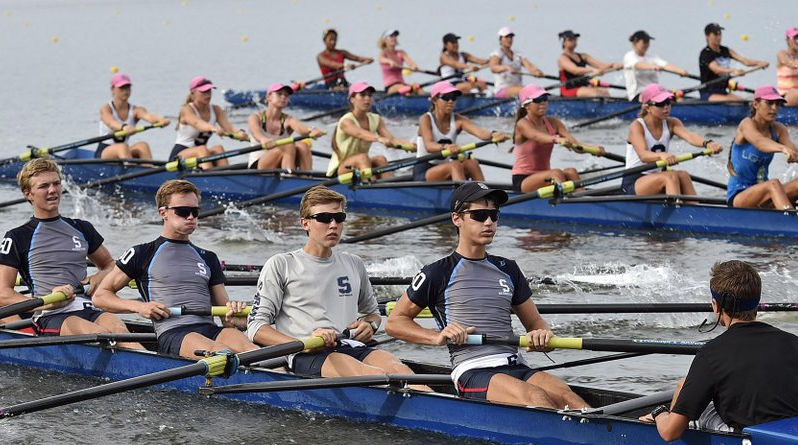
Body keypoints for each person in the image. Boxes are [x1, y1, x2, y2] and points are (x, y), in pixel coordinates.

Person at [386, 181, 588, 409]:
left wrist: (543, 335)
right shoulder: (437, 272)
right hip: (473, 370)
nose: (489, 222)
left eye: (494, 215)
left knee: (571, 399)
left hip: (515, 364)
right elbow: (395, 322)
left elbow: (534, 321)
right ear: (456, 219)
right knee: (536, 398)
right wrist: (436, 336)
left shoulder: (508, 268)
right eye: (479, 215)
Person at [247, 186, 423, 386]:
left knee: (402, 372)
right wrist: (302, 345)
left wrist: (370, 325)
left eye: (339, 218)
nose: (333, 225)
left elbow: (372, 313)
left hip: (351, 345)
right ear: (305, 223)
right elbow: (256, 328)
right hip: (308, 354)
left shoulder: (353, 263)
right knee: (375, 377)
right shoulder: (282, 264)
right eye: (324, 218)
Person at [650, 260, 798, 440]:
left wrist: (659, 412)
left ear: (716, 305)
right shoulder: (792, 342)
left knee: (683, 388)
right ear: (757, 302)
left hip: (752, 441)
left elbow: (669, 434)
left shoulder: (711, 353)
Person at [93, 179, 256, 359]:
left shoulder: (208, 257)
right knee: (222, 356)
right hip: (175, 333)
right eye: (183, 211)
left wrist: (238, 319)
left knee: (258, 354)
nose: (191, 217)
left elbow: (226, 317)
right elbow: (101, 297)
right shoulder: (142, 253)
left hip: (212, 329)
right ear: (163, 213)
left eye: (195, 211)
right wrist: (138, 307)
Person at [0, 158, 141, 347]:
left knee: (120, 331)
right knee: (99, 335)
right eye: (44, 186)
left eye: (56, 184)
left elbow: (110, 265)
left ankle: (162, 372)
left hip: (88, 307)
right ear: (28, 194)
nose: (53, 190)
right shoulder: (17, 237)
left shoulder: (82, 228)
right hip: (52, 315)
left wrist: (99, 277)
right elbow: (1, 295)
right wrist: (44, 303)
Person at [725, 86, 798, 210]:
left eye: (777, 104)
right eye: (769, 103)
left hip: (764, 195)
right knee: (773, 184)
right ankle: (790, 221)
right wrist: (782, 149)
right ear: (756, 104)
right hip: (739, 197)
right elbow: (760, 142)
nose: (774, 108)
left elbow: (795, 152)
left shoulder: (778, 129)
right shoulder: (746, 124)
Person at [622, 84, 722, 195]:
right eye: (660, 103)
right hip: (634, 180)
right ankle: (677, 209)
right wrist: (662, 156)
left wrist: (707, 143)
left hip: (658, 176)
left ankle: (695, 209)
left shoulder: (672, 123)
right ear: (647, 107)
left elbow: (690, 136)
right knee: (670, 176)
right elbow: (643, 155)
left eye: (668, 102)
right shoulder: (637, 126)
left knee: (683, 175)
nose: (666, 107)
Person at [511, 84, 605, 193]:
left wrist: (593, 149)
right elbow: (536, 136)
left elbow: (574, 143)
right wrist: (557, 139)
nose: (543, 103)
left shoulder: (554, 123)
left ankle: (582, 200)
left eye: (545, 99)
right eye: (537, 100)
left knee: (571, 172)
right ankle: (564, 201)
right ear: (526, 105)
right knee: (556, 173)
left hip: (545, 175)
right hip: (523, 179)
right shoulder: (522, 124)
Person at [414, 82, 508, 182]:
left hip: (446, 167)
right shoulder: (425, 119)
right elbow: (429, 146)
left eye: (454, 98)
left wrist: (493, 134)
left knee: (472, 163)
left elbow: (480, 132)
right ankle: (464, 196)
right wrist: (446, 147)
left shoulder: (459, 120)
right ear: (434, 100)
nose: (451, 101)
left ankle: (485, 194)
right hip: (424, 171)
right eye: (446, 97)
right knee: (455, 165)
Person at [326, 81, 412, 178]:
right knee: (362, 158)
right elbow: (360, 134)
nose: (367, 98)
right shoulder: (346, 121)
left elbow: (391, 140)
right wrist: (378, 138)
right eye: (362, 95)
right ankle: (369, 186)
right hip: (341, 169)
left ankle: (388, 188)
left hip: (361, 166)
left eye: (370, 95)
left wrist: (413, 146)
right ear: (352, 99)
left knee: (380, 159)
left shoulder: (376, 119)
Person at [170, 76, 246, 168]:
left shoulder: (216, 109)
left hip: (201, 156)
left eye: (209, 91)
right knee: (202, 150)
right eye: (203, 92)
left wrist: (240, 132)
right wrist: (213, 128)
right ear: (193, 93)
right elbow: (197, 123)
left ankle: (225, 176)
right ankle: (211, 179)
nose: (208, 95)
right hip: (179, 156)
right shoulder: (187, 109)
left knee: (218, 148)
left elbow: (229, 128)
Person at [246, 83, 324, 170]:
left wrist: (312, 130)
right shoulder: (255, 117)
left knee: (303, 145)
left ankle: (307, 178)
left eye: (286, 95)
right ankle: (290, 178)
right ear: (268, 97)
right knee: (288, 145)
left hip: (280, 164)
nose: (283, 97)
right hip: (259, 165)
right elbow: (255, 130)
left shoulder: (288, 119)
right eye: (279, 94)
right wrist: (263, 139)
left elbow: (301, 128)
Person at [97, 73, 168, 162]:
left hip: (125, 152)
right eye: (122, 88)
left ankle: (147, 169)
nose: (125, 91)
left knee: (143, 146)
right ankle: (131, 170)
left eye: (127, 87)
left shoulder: (136, 110)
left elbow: (149, 116)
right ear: (112, 90)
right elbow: (110, 123)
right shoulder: (106, 109)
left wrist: (160, 119)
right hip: (105, 152)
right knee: (122, 147)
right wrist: (123, 127)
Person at [698, 22, 769, 101]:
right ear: (707, 36)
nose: (719, 37)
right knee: (735, 103)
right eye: (715, 34)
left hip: (723, 91)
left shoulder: (726, 50)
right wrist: (734, 71)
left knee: (745, 102)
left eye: (720, 34)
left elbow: (745, 61)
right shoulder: (705, 54)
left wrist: (759, 63)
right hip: (708, 93)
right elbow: (716, 69)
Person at [622, 30, 690, 102]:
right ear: (635, 42)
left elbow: (666, 65)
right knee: (661, 99)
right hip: (637, 94)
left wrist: (680, 71)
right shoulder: (629, 56)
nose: (646, 44)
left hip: (655, 92)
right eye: (644, 42)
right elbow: (637, 65)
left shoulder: (652, 57)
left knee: (678, 98)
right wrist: (653, 67)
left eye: (648, 42)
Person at [556, 30, 622, 97]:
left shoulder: (583, 56)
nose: (574, 41)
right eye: (570, 40)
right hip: (568, 90)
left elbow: (601, 66)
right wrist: (592, 70)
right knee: (594, 93)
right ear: (563, 42)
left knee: (605, 92)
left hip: (583, 87)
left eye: (575, 39)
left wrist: (614, 65)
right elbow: (575, 70)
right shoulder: (562, 59)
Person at [488, 27, 544, 100]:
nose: (509, 39)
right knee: (528, 90)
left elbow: (530, 66)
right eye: (506, 37)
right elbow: (493, 68)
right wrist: (506, 68)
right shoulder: (497, 54)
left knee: (537, 90)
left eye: (511, 37)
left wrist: (537, 72)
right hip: (502, 90)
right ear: (500, 39)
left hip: (517, 89)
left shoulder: (517, 54)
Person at [377, 29, 422, 95]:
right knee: (408, 90)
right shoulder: (384, 53)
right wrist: (389, 62)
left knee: (418, 88)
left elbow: (411, 63)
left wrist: (414, 67)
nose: (394, 38)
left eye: (395, 36)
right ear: (385, 40)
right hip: (391, 86)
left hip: (402, 84)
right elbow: (380, 59)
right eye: (391, 36)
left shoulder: (401, 53)